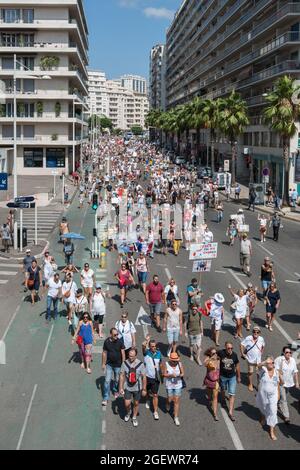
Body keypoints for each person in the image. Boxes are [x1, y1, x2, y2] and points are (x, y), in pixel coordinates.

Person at [119, 348, 147, 427]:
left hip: (137, 388)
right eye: (129, 356)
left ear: (136, 356)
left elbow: (144, 377)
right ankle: (128, 413)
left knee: (136, 403)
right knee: (127, 403)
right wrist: (121, 387)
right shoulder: (124, 363)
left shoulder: (140, 364)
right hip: (127, 387)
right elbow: (122, 375)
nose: (130, 357)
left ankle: (134, 417)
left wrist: (144, 389)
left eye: (132, 356)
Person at [256, 357, 283, 441]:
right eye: (270, 363)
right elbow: (258, 366)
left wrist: (278, 394)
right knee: (263, 407)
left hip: (273, 395)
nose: (271, 364)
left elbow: (280, 384)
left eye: (273, 362)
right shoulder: (263, 370)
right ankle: (263, 416)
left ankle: (271, 431)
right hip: (263, 394)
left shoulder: (276, 372)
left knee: (273, 411)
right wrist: (265, 362)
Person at [275, 346, 299, 425]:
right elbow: (276, 370)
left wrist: (297, 382)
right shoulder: (279, 359)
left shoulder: (292, 360)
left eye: (290, 352)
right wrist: (280, 379)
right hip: (281, 383)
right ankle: (286, 417)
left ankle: (278, 404)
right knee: (284, 399)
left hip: (289, 383)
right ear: (283, 353)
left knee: (283, 396)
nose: (288, 354)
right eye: (287, 352)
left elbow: (295, 372)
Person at [102, 328, 125, 406]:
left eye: (117, 334)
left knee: (116, 379)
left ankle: (115, 390)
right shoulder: (106, 342)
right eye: (115, 335)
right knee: (107, 381)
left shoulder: (120, 341)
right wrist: (103, 364)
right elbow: (104, 353)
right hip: (109, 364)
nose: (116, 336)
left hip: (118, 365)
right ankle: (105, 398)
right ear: (110, 334)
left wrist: (123, 364)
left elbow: (123, 353)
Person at [218, 342, 241, 422]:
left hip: (232, 377)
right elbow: (214, 356)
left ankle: (230, 412)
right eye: (228, 348)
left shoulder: (234, 355)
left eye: (231, 348)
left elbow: (237, 365)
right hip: (223, 377)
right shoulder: (221, 353)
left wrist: (238, 377)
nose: (230, 350)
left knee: (232, 393)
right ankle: (223, 400)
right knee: (223, 390)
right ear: (225, 347)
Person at [162, 351, 185, 426]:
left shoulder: (179, 364)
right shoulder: (166, 364)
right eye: (174, 361)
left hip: (178, 384)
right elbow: (164, 374)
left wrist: (179, 375)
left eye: (176, 361)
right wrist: (171, 375)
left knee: (176, 401)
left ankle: (176, 417)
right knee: (169, 399)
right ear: (171, 360)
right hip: (169, 385)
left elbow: (183, 373)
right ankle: (168, 403)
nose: (175, 362)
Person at [142, 336, 162, 420]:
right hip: (146, 377)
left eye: (154, 346)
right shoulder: (146, 353)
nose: (154, 347)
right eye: (152, 346)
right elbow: (143, 345)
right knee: (146, 391)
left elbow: (161, 363)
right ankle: (147, 400)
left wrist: (162, 373)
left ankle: (155, 411)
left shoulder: (159, 354)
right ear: (149, 346)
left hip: (155, 378)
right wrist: (146, 340)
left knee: (155, 394)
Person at [240, 327, 265, 392]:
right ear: (252, 332)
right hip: (250, 359)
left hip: (258, 360)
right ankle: (250, 384)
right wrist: (242, 353)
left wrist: (261, 352)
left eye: (257, 332)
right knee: (250, 372)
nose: (255, 333)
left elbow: (263, 345)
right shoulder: (248, 338)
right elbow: (242, 345)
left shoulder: (261, 339)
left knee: (258, 373)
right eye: (254, 331)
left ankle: (258, 385)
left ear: (259, 333)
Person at [204, 347, 220, 421]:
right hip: (209, 380)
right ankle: (209, 398)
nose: (215, 354)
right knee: (209, 396)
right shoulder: (208, 359)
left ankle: (215, 414)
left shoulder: (219, 359)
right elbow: (205, 364)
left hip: (216, 381)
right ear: (210, 354)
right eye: (213, 353)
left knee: (215, 397)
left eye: (215, 353)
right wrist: (211, 358)